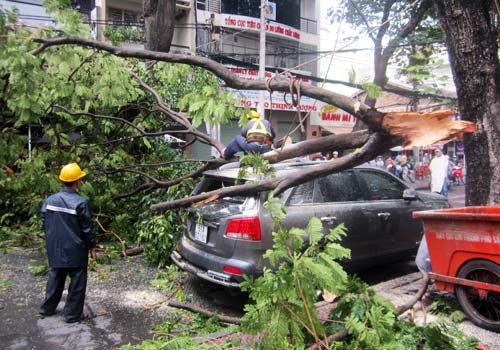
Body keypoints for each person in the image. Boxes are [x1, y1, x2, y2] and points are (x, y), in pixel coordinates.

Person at [38, 162, 97, 323]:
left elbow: (44, 220)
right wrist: (92, 246)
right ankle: (71, 314)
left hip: (55, 248)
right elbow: (87, 229)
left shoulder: (50, 201)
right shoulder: (80, 203)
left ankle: (46, 309)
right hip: (76, 249)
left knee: (56, 276)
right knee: (77, 281)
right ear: (77, 182)